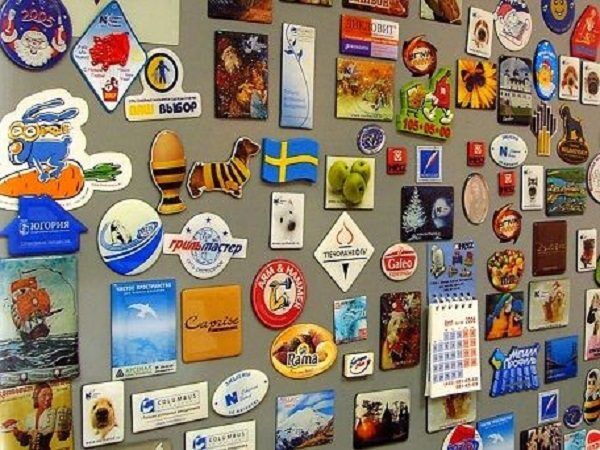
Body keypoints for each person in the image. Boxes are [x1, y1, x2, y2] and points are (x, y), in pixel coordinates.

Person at [4, 382, 70, 450]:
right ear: (36, 396)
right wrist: (16, 432)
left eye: (50, 395)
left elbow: (62, 437)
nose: (48, 398)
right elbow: (25, 442)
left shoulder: (55, 413)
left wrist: (64, 428)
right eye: (44, 395)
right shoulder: (30, 417)